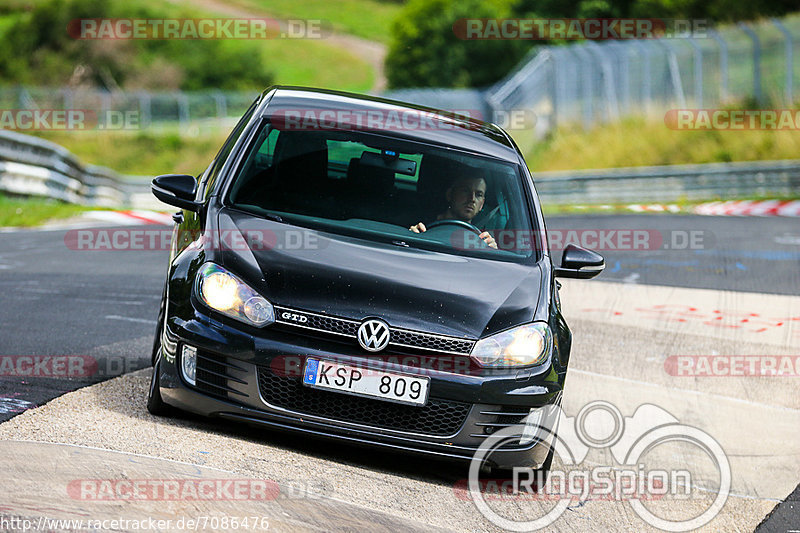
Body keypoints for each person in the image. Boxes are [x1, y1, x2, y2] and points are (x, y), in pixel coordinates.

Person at [409, 174, 498, 249]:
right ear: (450, 194)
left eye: (478, 195)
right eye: (465, 191)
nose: (472, 199)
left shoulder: (481, 240)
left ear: (482, 204)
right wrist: (411, 236)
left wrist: (491, 251)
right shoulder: (422, 225)